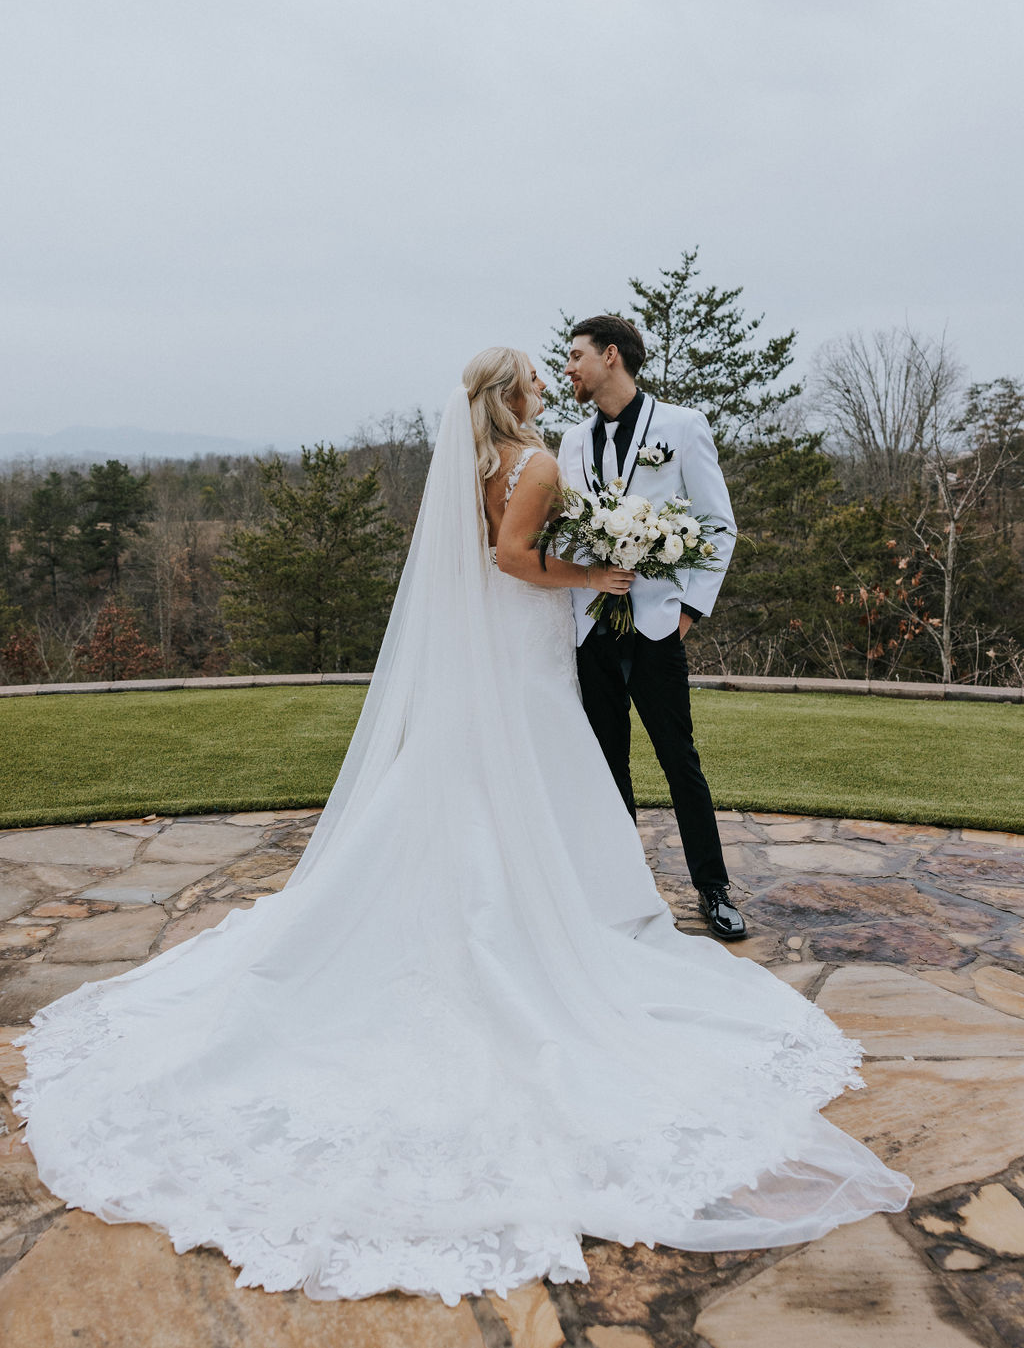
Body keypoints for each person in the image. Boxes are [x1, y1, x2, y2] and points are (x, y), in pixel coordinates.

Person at [14, 348, 911, 1307]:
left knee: (489, 781)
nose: (548, 381)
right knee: (532, 774)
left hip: (516, 644)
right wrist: (595, 571)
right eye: (534, 376)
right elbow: (513, 560)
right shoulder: (538, 462)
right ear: (511, 394)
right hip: (528, 646)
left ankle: (521, 895)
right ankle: (536, 915)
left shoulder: (482, 464)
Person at [557, 316, 745, 940]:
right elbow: (565, 530)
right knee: (606, 766)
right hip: (591, 631)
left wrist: (689, 612)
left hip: (659, 629)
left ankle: (713, 889)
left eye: (576, 356)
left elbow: (719, 525)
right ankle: (622, 891)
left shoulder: (682, 427)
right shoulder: (572, 441)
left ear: (610, 356)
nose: (568, 368)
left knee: (679, 762)